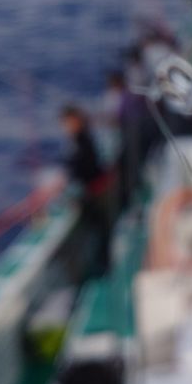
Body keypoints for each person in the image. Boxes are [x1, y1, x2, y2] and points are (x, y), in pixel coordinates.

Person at [62, 104, 115, 278]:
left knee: (101, 234)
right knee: (101, 233)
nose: (66, 127)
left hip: (97, 193)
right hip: (96, 191)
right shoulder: (82, 139)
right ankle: (103, 267)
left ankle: (104, 270)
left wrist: (70, 177)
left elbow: (84, 167)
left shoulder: (82, 140)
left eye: (68, 123)